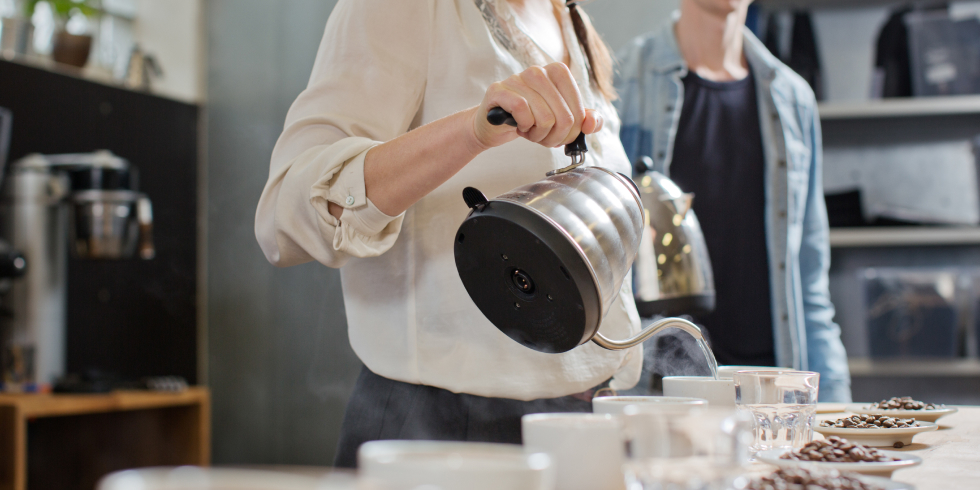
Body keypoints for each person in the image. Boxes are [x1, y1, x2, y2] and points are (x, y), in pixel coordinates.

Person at [255, 0, 642, 468]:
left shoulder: (569, 17)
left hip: (581, 424)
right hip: (442, 434)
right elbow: (283, 219)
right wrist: (473, 131)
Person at [615, 0, 852, 402]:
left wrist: (834, 401)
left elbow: (808, 276)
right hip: (661, 390)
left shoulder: (793, 98)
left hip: (774, 391)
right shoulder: (623, 82)